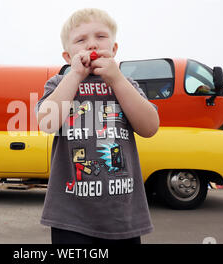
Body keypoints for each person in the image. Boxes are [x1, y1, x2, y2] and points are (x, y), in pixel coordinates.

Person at [35, 8, 159, 244]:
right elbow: (47, 123)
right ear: (67, 55)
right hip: (70, 214)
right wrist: (74, 76)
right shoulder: (59, 83)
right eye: (81, 40)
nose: (92, 45)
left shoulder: (126, 83)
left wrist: (117, 80)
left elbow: (150, 127)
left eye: (100, 37)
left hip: (123, 214)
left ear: (113, 49)